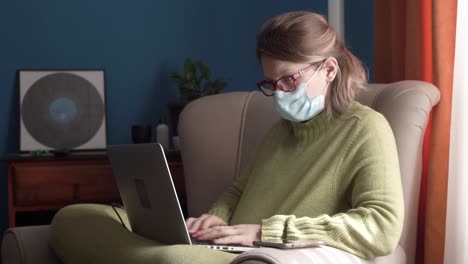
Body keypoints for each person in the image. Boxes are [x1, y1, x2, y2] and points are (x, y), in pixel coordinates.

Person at [50, 11, 403, 263]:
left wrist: (264, 232)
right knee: (73, 217)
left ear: (328, 69)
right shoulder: (280, 133)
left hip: (258, 253)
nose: (279, 93)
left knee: (173, 260)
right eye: (271, 83)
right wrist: (215, 217)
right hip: (224, 243)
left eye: (289, 80)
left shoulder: (365, 128)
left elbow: (381, 226)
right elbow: (239, 190)